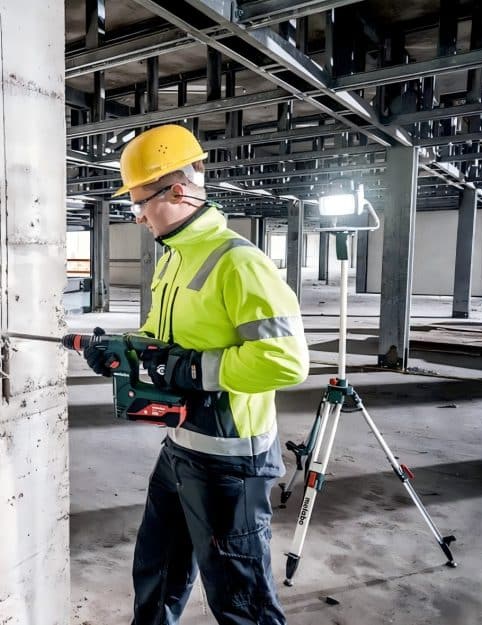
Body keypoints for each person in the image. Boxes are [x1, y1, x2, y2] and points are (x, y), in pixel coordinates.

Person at [83, 124, 309, 625]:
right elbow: (160, 338)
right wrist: (121, 350)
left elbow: (286, 360)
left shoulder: (239, 263)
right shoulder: (173, 260)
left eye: (142, 201)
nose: (138, 215)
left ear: (178, 191)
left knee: (240, 603)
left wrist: (195, 369)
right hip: (182, 446)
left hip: (230, 463)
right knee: (156, 572)